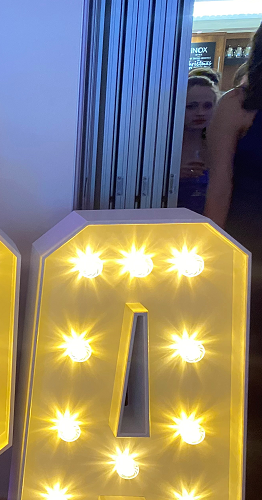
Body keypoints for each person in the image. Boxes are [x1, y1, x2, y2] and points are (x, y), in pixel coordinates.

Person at [203, 22, 262, 495]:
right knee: (242, 376)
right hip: (251, 250)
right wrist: (212, 264)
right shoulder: (237, 105)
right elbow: (218, 186)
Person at [178, 75, 219, 213]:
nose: (200, 113)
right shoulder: (161, 150)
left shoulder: (222, 147)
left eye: (207, 106)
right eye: (191, 106)